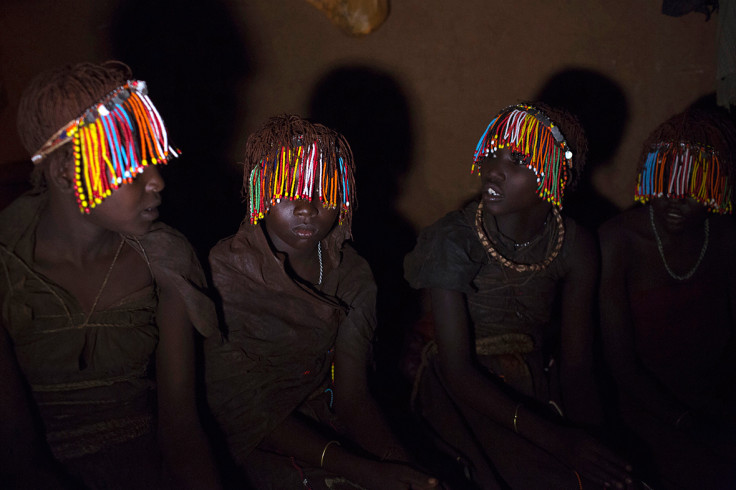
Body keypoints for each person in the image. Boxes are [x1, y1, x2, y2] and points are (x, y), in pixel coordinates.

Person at [0, 61, 222, 489]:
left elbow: (180, 430)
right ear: (67, 173)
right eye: (133, 166)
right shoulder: (9, 271)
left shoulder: (166, 259)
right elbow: (16, 455)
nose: (157, 180)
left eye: (153, 160)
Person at [404, 103, 634, 489]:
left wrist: (592, 442)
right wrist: (560, 442)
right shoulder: (452, 239)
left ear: (554, 174)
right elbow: (457, 370)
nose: (494, 168)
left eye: (518, 159)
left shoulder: (575, 245)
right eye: (492, 154)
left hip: (533, 381)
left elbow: (577, 368)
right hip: (459, 391)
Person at [204, 114, 439, 490]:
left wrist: (405, 467)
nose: (307, 207)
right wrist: (364, 470)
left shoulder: (352, 273)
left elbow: (352, 396)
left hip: (327, 424)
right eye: (288, 188)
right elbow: (243, 410)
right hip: (244, 440)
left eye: (323, 190)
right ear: (258, 189)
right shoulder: (225, 275)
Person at [598, 107, 736, 489]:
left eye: (692, 186)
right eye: (663, 180)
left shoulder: (725, 238)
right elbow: (620, 365)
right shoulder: (618, 242)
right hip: (642, 406)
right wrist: (687, 422)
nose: (674, 198)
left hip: (712, 400)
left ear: (719, 187)